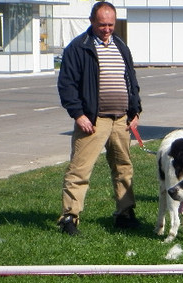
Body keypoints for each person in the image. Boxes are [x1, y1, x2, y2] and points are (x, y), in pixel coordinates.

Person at [57, 1, 142, 236]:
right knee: (80, 170)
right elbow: (67, 85)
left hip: (121, 121)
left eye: (110, 25)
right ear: (92, 21)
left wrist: (135, 111)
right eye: (102, 24)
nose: (107, 29)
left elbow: (131, 80)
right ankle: (69, 218)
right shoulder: (78, 48)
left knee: (123, 168)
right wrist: (79, 115)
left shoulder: (121, 46)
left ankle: (125, 214)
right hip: (93, 121)